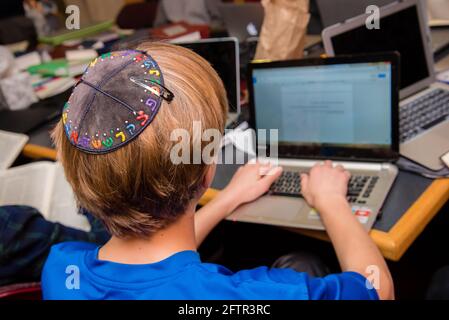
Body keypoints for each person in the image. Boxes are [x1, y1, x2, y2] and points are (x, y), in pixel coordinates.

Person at [42, 42, 394, 300]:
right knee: (304, 263)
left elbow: (157, 270)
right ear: (207, 169)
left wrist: (227, 201)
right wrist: (332, 201)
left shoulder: (60, 270)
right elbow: (376, 289)